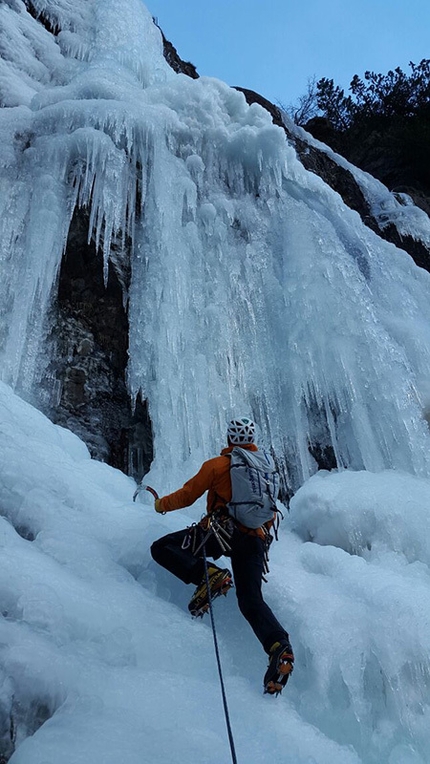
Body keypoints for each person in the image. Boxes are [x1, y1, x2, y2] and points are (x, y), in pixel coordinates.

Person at [150, 417, 294, 695]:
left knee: (163, 547)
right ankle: (280, 647)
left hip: (219, 531)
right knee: (251, 601)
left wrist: (160, 505)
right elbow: (269, 512)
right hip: (254, 541)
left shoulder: (218, 465)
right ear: (253, 440)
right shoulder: (266, 470)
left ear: (229, 439)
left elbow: (188, 495)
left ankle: (210, 576)